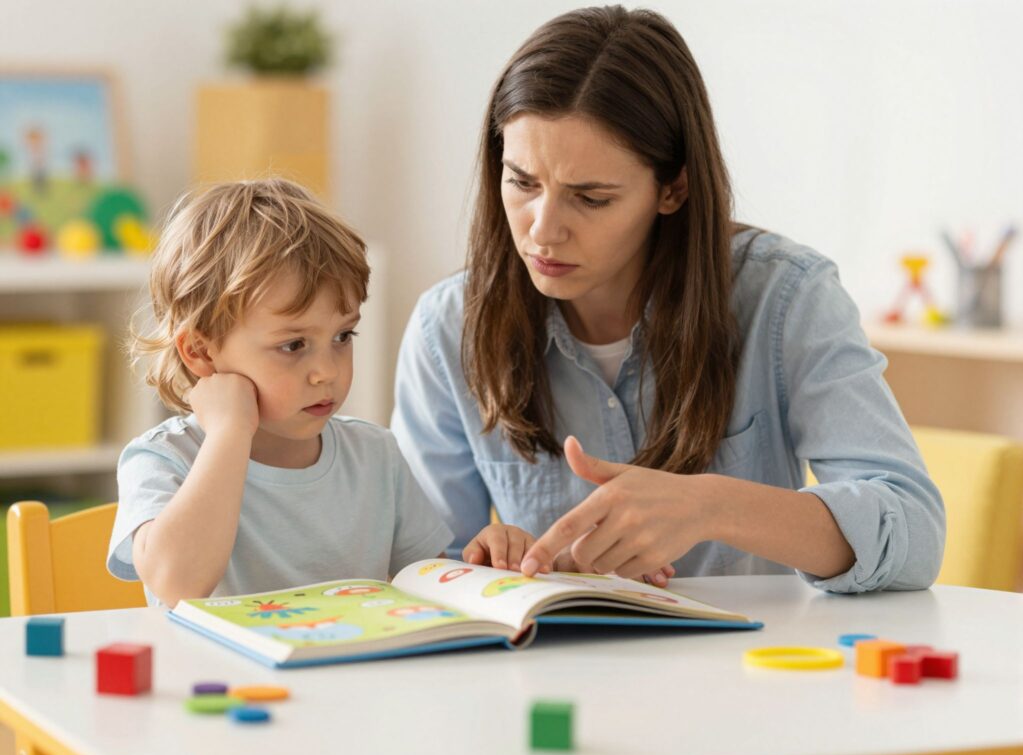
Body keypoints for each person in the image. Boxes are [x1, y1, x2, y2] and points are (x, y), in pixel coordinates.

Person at [392, 6, 945, 593]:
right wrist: (490, 560)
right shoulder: (447, 328)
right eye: (522, 182)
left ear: (673, 188)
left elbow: (913, 534)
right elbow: (416, 569)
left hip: (758, 652)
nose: (543, 230)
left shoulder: (784, 299)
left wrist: (710, 506)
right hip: (550, 653)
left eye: (591, 198)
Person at [107, 179, 456, 607]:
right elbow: (177, 584)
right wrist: (230, 433)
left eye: (343, 336)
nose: (327, 372)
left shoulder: (376, 456)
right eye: (293, 345)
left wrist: (483, 564)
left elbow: (434, 589)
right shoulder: (163, 459)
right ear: (200, 351)